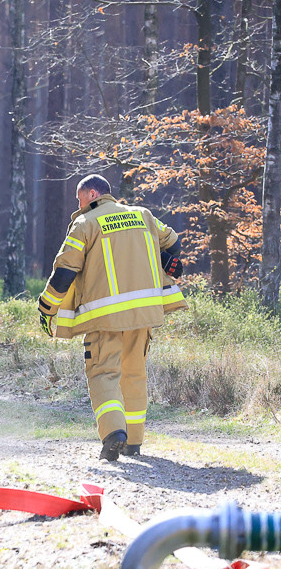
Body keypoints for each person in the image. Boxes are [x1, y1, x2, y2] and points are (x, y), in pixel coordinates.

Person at [38, 174, 187, 461]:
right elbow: (172, 242)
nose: (78, 204)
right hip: (144, 313)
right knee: (134, 374)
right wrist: (167, 259)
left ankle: (113, 435)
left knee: (103, 373)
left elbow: (65, 271)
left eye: (79, 198)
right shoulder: (143, 215)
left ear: (92, 193)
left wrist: (47, 307)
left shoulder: (85, 223)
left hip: (104, 317)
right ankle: (134, 442)